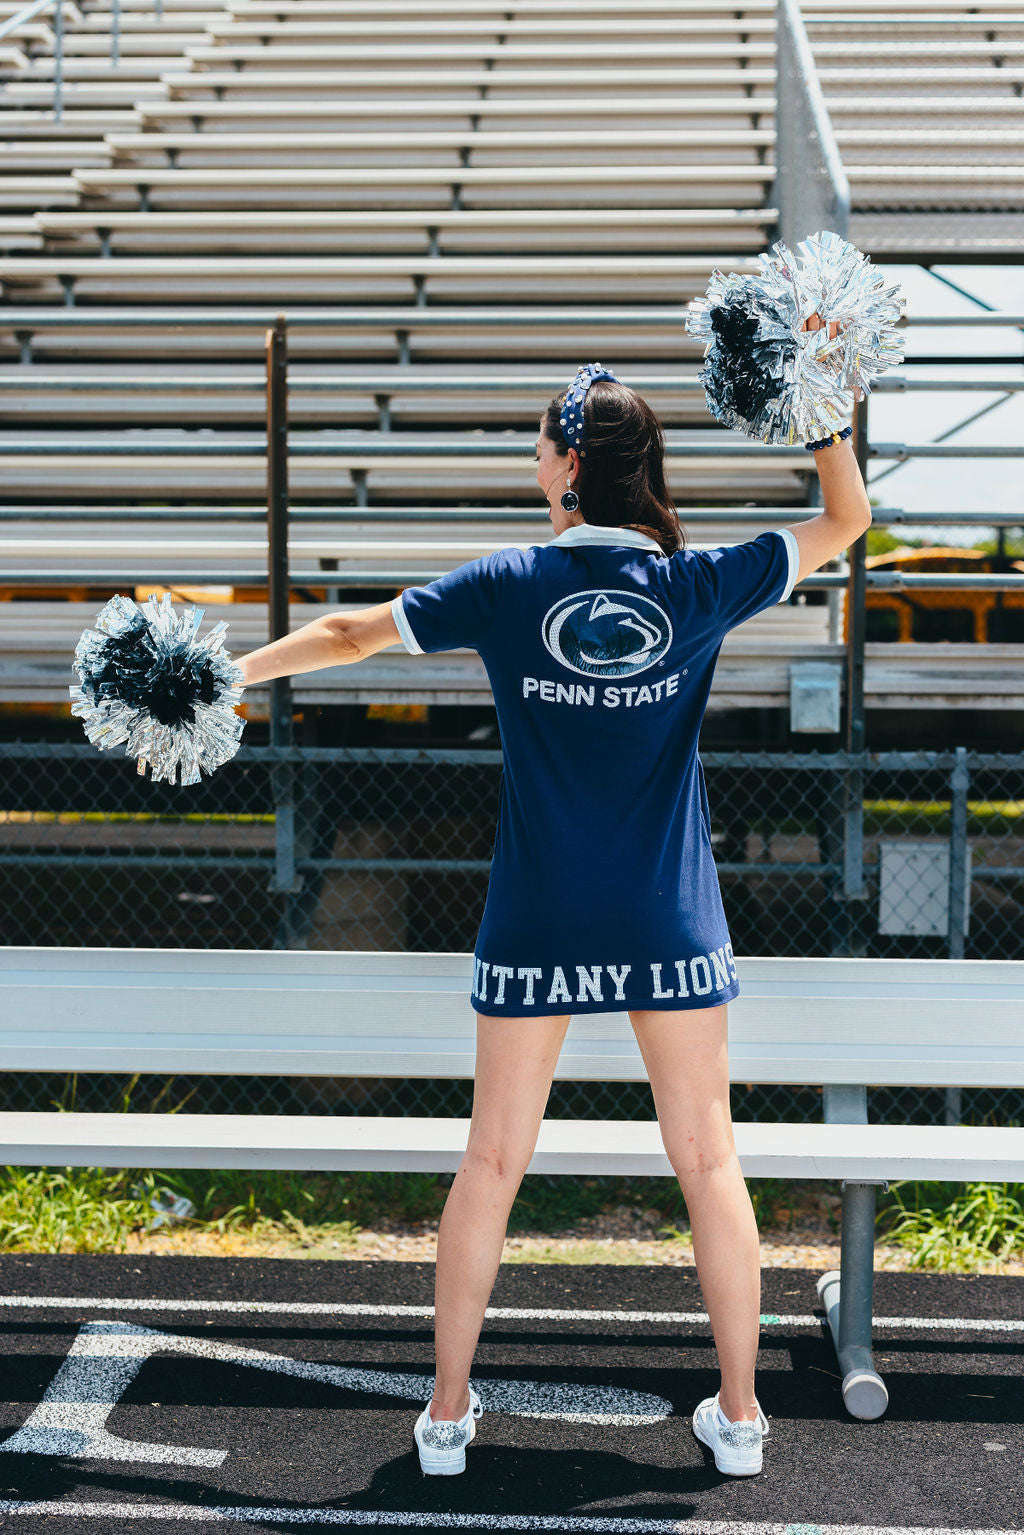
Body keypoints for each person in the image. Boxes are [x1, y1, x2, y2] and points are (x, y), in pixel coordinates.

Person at [233, 334, 871, 1480]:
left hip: (535, 918)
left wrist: (224, 678)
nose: (531, 459)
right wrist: (818, 411)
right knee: (707, 1160)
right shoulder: (697, 580)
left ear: (569, 462)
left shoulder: (512, 583)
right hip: (668, 923)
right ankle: (738, 1418)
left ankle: (442, 1415)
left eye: (539, 442)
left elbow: (344, 635)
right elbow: (845, 522)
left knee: (490, 1164)